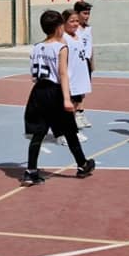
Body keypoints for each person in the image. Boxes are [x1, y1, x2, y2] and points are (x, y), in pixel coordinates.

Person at [21, 10, 96, 186]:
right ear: (58, 27)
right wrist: (67, 99)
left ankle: (30, 171)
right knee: (70, 131)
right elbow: (63, 74)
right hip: (54, 92)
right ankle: (82, 164)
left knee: (38, 134)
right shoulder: (60, 47)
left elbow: (33, 75)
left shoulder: (37, 46)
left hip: (38, 91)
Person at [60, 10, 91, 144]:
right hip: (70, 78)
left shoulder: (77, 35)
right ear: (64, 23)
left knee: (76, 105)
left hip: (80, 77)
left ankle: (71, 131)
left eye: (76, 21)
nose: (75, 24)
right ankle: (64, 134)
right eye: (71, 21)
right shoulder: (64, 39)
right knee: (68, 108)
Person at [72, 1, 95, 128]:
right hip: (76, 62)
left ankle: (80, 113)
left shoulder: (88, 28)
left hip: (85, 61)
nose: (87, 16)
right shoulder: (74, 29)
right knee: (76, 91)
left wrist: (92, 62)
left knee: (83, 89)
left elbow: (91, 46)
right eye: (84, 13)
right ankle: (76, 114)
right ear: (77, 13)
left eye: (88, 13)